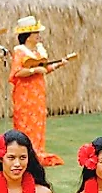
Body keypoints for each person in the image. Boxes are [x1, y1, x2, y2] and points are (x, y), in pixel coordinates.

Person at [9, 16, 67, 167]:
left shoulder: (38, 50)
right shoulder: (20, 52)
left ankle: (37, 150)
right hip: (25, 93)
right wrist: (34, 70)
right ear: (28, 36)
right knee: (26, 120)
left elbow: (44, 69)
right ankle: (25, 151)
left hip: (38, 92)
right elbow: (17, 72)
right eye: (36, 33)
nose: (38, 36)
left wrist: (59, 65)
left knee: (38, 120)